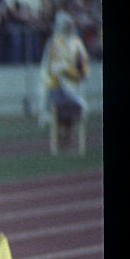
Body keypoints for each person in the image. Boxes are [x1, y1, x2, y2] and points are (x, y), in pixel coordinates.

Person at [40, 10, 89, 155]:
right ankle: (61, 143)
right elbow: (54, 68)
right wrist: (70, 71)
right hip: (56, 88)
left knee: (74, 113)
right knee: (61, 115)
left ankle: (67, 143)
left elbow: (83, 67)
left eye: (70, 26)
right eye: (66, 26)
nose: (68, 28)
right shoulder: (55, 44)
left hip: (73, 88)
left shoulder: (77, 44)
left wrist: (76, 72)